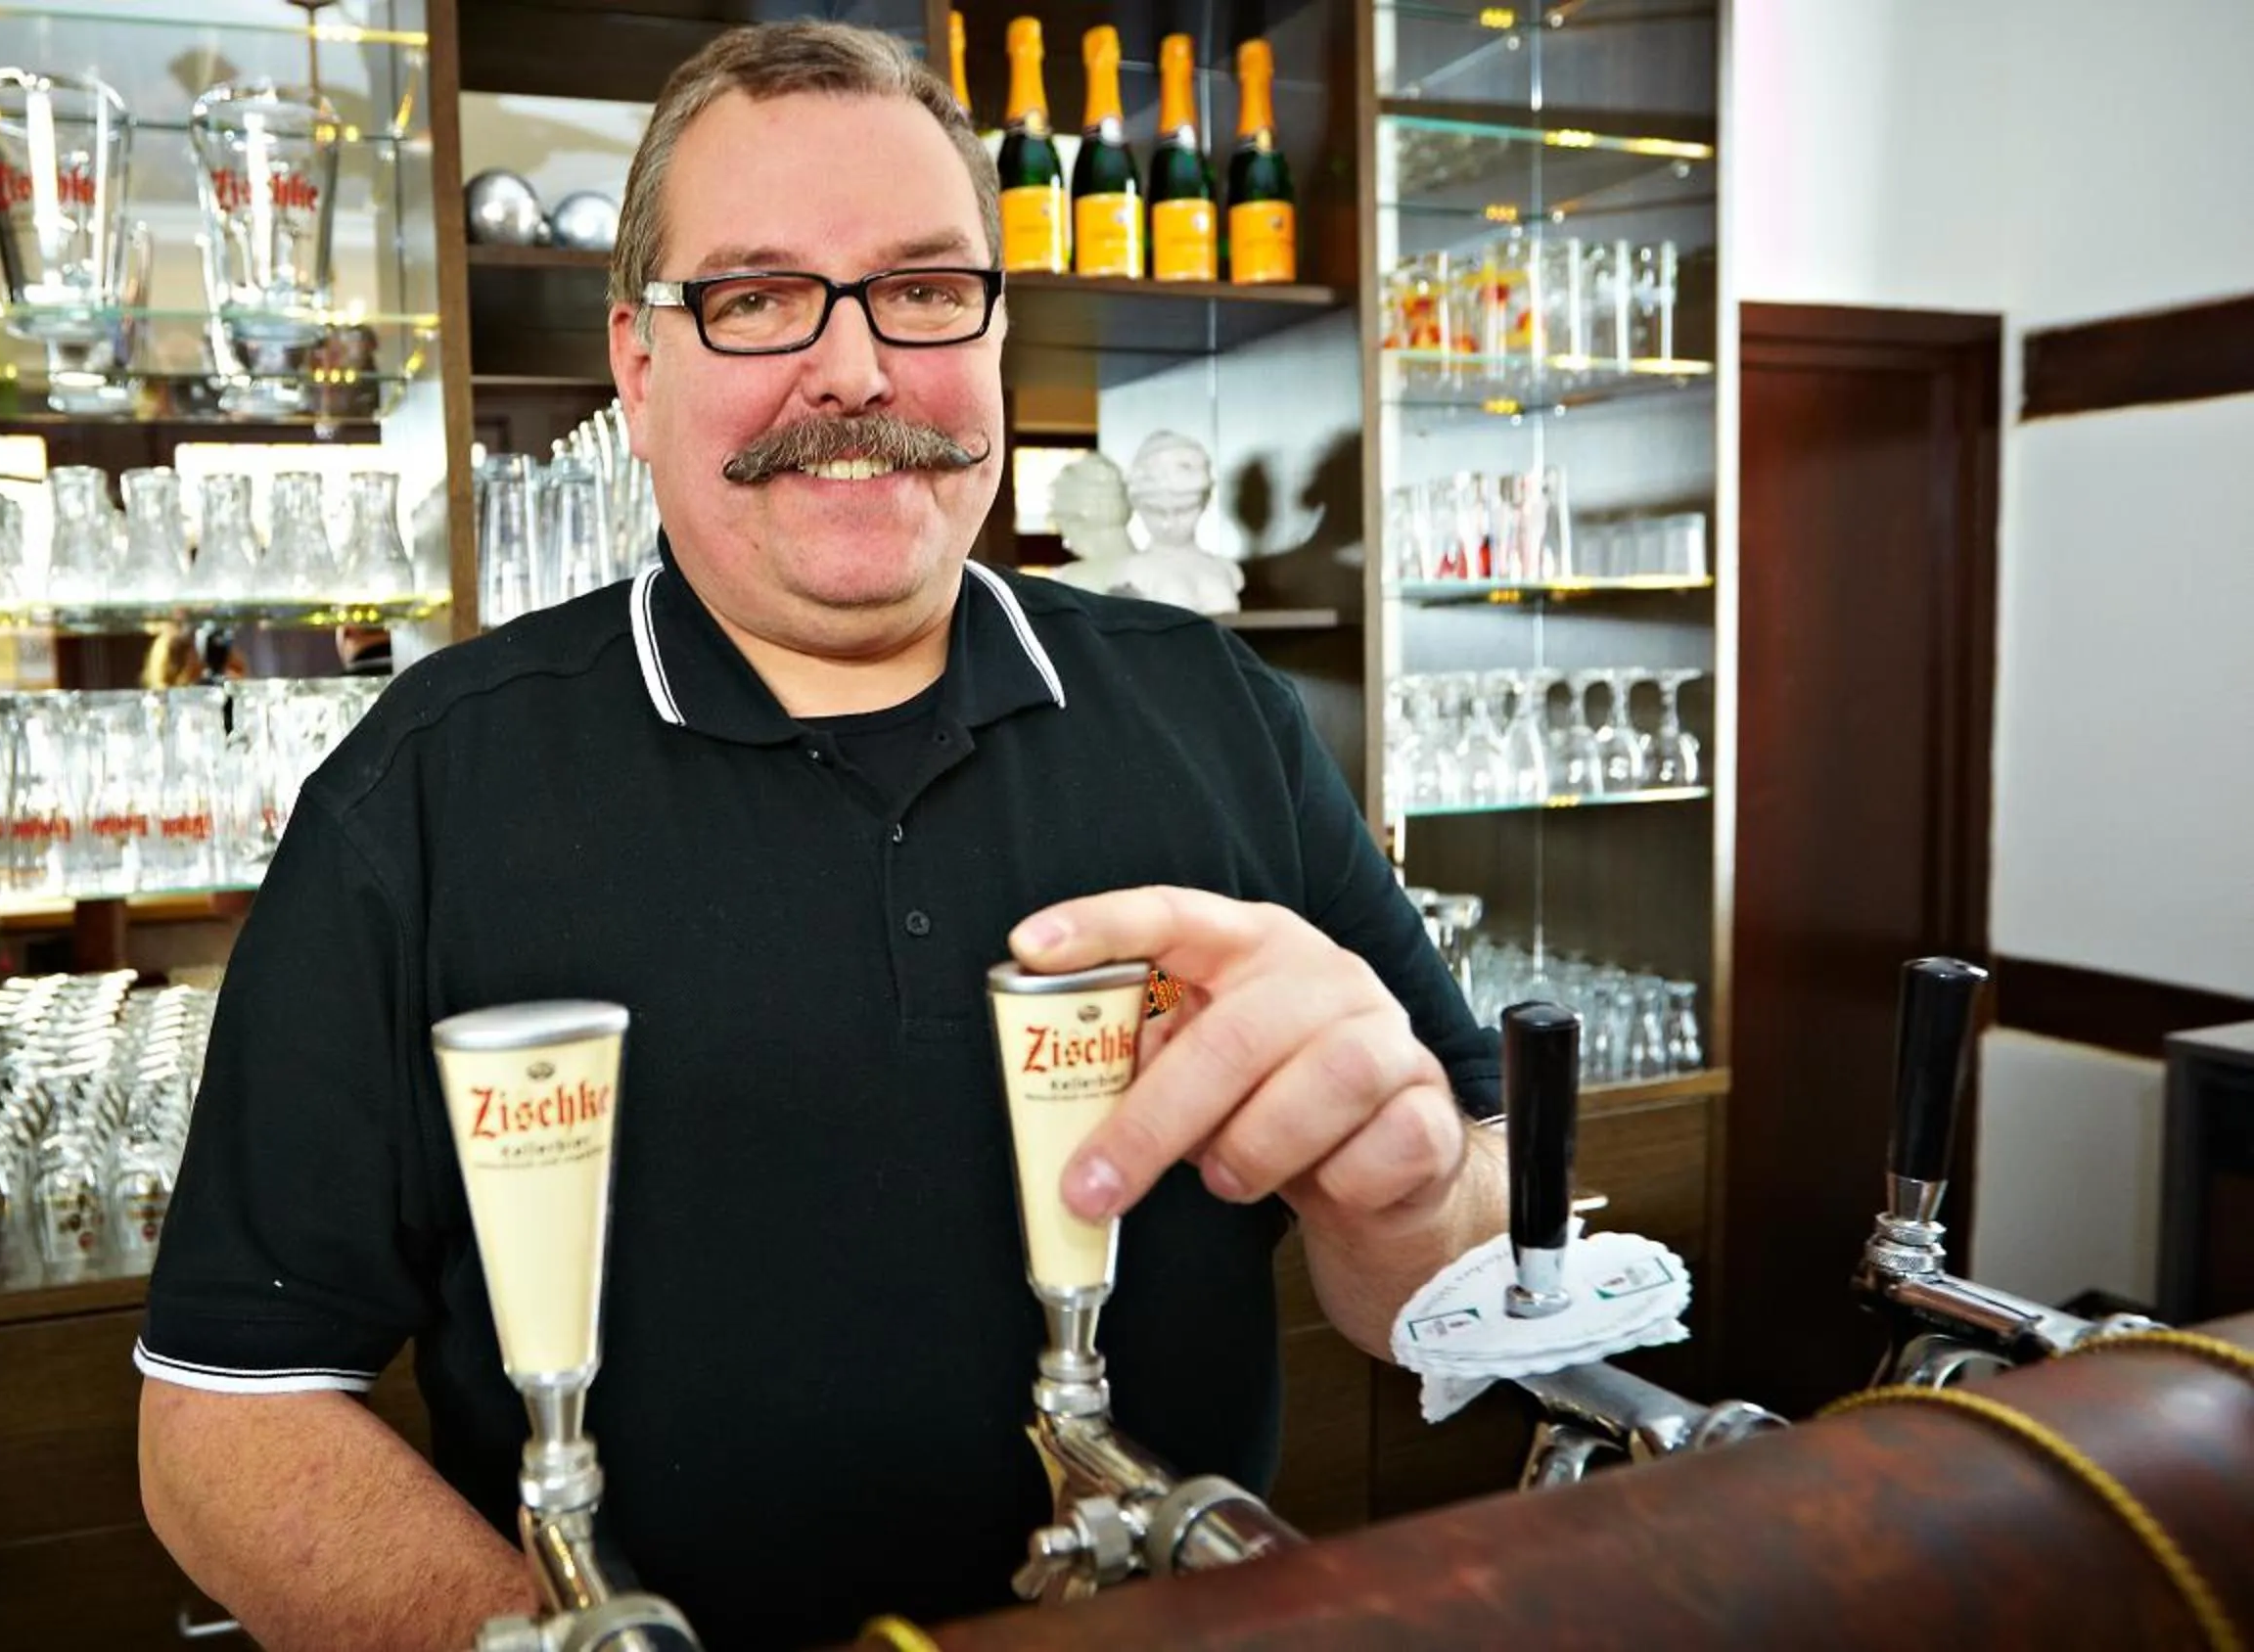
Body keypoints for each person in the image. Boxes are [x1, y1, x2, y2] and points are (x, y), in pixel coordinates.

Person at [137, 23, 1507, 1650]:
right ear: (639, 365)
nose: (855, 371)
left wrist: (1413, 1200)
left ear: (995, 332)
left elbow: (1454, 1264)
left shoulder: (1219, 715)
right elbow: (226, 1420)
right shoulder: (422, 790)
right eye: (758, 296)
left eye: (923, 289)